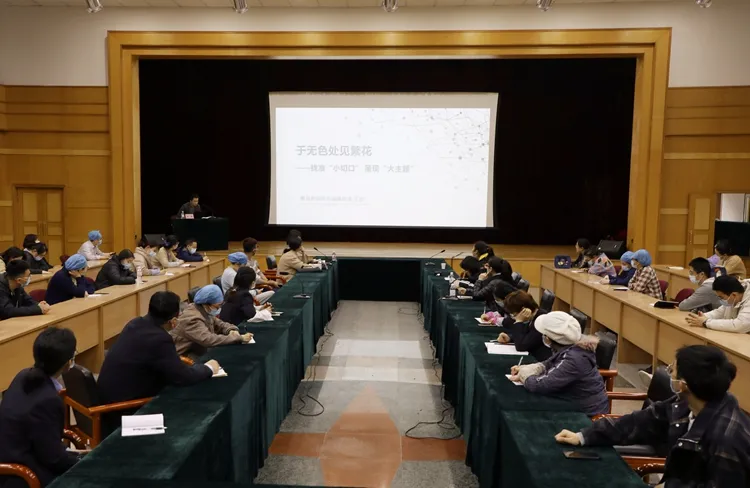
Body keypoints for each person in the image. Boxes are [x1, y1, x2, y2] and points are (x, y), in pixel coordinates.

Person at [555, 345, 750, 488]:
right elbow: (638, 422)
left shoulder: (729, 437)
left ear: (684, 384)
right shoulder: (683, 404)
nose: (669, 371)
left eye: (672, 369)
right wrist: (584, 436)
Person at [97, 292, 219, 436]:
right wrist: (208, 368)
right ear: (174, 318)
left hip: (108, 398)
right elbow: (182, 377)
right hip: (124, 410)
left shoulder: (135, 323)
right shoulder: (160, 338)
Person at [0, 328, 81, 488]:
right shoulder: (48, 400)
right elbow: (54, 459)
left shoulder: (23, 375)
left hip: (17, 457)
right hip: (22, 476)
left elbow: (45, 441)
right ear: (67, 363)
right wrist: (81, 460)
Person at [508, 311, 608, 416]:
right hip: (573, 402)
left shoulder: (573, 359)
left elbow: (540, 385)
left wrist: (524, 375)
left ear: (549, 338)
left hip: (586, 413)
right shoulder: (571, 348)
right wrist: (531, 368)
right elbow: (549, 363)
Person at [170, 285, 251, 358]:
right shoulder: (192, 319)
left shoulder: (202, 309)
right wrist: (237, 338)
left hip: (199, 351)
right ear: (206, 304)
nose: (219, 308)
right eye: (218, 306)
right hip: (187, 357)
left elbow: (219, 323)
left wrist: (231, 330)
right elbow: (209, 340)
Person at [494, 290, 551, 361]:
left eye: (514, 314)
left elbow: (521, 346)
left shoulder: (541, 320)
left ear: (523, 310)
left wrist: (519, 321)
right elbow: (527, 335)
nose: (514, 318)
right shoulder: (533, 316)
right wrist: (510, 338)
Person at [686, 275, 750, 333]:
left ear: (734, 294)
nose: (720, 300)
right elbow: (719, 312)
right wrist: (701, 317)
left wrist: (706, 322)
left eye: (721, 297)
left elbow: (739, 325)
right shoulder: (733, 295)